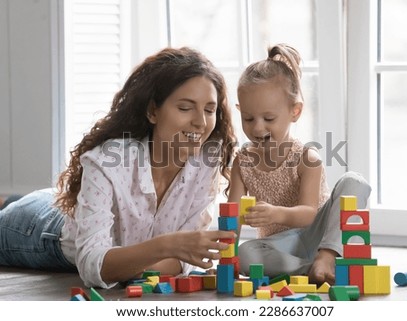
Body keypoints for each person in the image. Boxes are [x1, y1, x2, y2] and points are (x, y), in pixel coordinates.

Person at [0, 47, 237, 289]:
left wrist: (141, 261)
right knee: (14, 211)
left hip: (70, 206)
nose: (200, 122)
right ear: (153, 111)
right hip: (40, 229)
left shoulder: (206, 161)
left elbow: (185, 259)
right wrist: (167, 247)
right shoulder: (108, 160)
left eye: (209, 110)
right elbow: (93, 265)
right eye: (185, 108)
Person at [227, 44, 371, 285]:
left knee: (354, 181)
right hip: (280, 247)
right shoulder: (242, 162)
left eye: (269, 118)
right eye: (248, 118)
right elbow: (232, 216)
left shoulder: (306, 158)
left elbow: (308, 214)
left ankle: (327, 257)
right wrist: (225, 260)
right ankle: (310, 270)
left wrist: (274, 212)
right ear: (240, 111)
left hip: (320, 236)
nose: (257, 127)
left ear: (295, 111)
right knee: (245, 254)